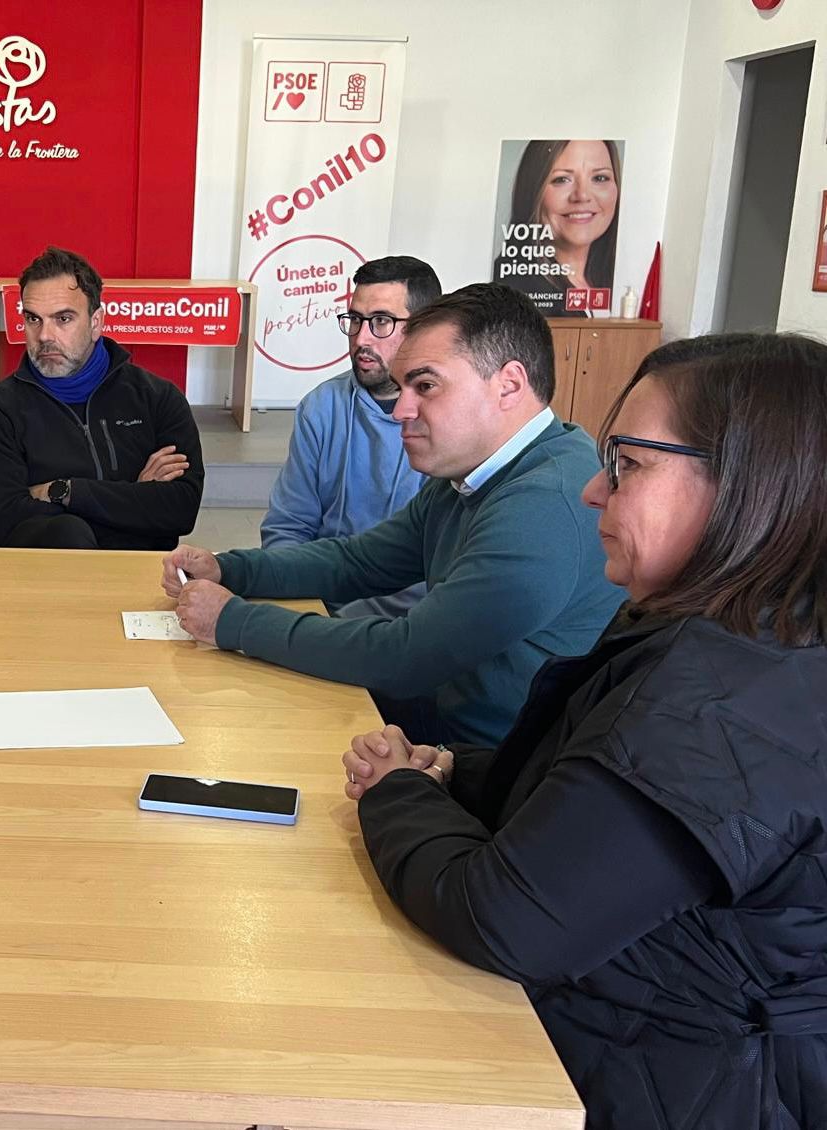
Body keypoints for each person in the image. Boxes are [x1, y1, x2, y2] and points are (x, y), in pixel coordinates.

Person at [344, 333, 827, 1129]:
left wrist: (396, 790)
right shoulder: (745, 640)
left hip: (677, 1086)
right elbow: (603, 803)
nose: (594, 491)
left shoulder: (722, 699)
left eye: (628, 465)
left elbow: (503, 919)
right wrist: (454, 773)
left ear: (751, 487)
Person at [163, 284, 621, 749]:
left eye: (425, 386)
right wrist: (230, 569)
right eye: (403, 388)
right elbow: (359, 562)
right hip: (435, 718)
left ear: (509, 385)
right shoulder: (473, 471)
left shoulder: (545, 506)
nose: (401, 410)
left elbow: (404, 657)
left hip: (483, 763)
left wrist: (233, 621)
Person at [0, 246, 203, 550]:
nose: (44, 336)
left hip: (141, 574)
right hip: (46, 577)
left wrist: (65, 491)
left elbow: (180, 510)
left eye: (63, 318)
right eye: (33, 319)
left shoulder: (158, 398)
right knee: (65, 533)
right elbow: (5, 523)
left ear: (95, 323)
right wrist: (136, 499)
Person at [261, 255, 440, 617]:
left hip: (406, 626)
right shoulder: (320, 407)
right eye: (355, 319)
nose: (361, 338)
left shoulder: (447, 422)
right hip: (319, 607)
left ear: (423, 328)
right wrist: (302, 614)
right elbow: (287, 528)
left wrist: (341, 626)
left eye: (381, 322)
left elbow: (437, 570)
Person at [494, 139, 621, 318]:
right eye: (561, 179)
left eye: (600, 178)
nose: (582, 195)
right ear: (532, 191)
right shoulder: (512, 293)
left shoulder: (613, 282)